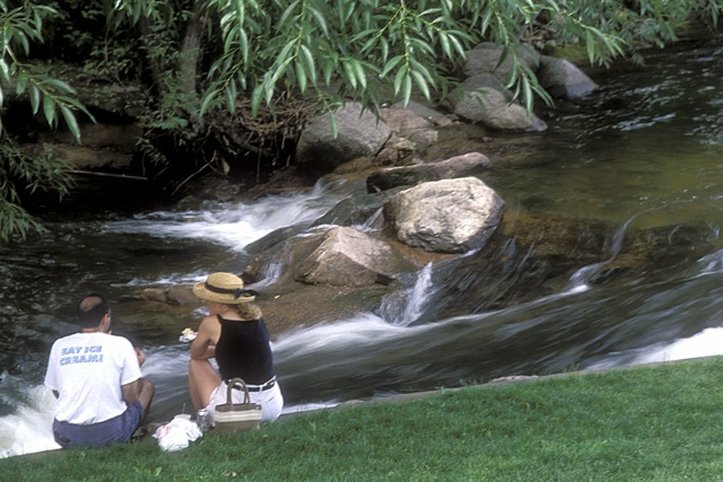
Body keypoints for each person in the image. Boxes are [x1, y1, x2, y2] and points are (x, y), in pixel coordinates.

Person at [44, 294, 155, 448]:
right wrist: (135, 367)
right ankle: (133, 435)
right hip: (110, 433)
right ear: (105, 319)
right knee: (147, 386)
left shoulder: (59, 345)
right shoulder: (120, 344)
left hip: (64, 433)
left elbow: (57, 392)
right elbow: (132, 397)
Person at [188, 272, 283, 424]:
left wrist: (198, 340)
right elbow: (242, 352)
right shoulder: (256, 317)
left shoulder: (211, 323)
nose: (205, 304)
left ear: (220, 304)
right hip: (272, 406)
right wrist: (218, 348)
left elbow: (196, 355)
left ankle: (204, 421)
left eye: (208, 301)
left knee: (194, 364)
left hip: (240, 411)